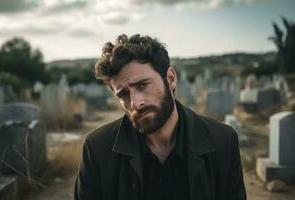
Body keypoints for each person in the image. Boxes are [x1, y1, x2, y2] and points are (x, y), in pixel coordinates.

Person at [74, 34, 247, 200]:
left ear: (170, 79)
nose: (135, 103)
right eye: (124, 94)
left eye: (142, 85)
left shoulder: (223, 141)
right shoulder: (97, 149)